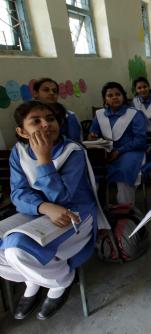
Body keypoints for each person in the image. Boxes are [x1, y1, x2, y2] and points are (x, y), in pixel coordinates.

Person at [0, 101, 105, 320]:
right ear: (21, 131)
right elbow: (18, 193)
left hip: (76, 214)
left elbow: (63, 198)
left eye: (50, 118)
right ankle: (33, 280)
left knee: (16, 249)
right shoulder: (18, 152)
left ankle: (60, 281)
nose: (46, 124)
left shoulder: (73, 151)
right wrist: (43, 206)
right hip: (38, 212)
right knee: (9, 246)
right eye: (36, 121)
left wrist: (44, 160)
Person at [88, 82, 147, 205]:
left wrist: (119, 151)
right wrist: (92, 138)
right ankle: (98, 209)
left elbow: (140, 141)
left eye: (118, 94)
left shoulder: (135, 114)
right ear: (105, 99)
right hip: (107, 153)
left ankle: (126, 209)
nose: (114, 97)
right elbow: (93, 134)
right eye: (110, 95)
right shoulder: (99, 115)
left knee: (123, 171)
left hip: (131, 151)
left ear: (123, 97)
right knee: (90, 171)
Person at [32, 78, 82, 142]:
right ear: (35, 93)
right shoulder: (27, 116)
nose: (51, 93)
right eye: (46, 90)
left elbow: (76, 143)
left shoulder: (68, 116)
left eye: (54, 91)